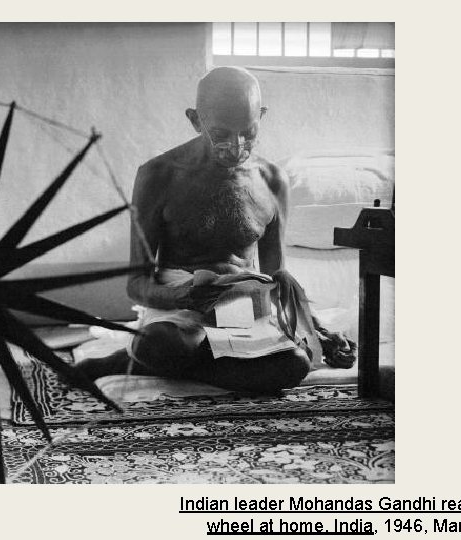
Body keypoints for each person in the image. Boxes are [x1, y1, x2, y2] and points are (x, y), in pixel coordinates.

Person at [75, 66, 355, 393]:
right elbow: (136, 283)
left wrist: (317, 328)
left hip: (245, 310)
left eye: (248, 132)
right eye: (221, 134)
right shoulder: (158, 175)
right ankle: (169, 357)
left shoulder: (273, 180)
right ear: (195, 120)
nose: (236, 146)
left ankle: (140, 362)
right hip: (179, 312)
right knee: (160, 342)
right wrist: (180, 295)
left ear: (261, 116)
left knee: (297, 363)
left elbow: (277, 275)